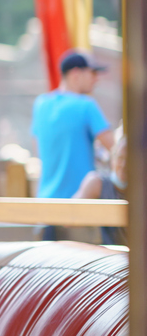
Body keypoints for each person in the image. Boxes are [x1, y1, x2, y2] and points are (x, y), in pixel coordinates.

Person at [31, 50, 114, 240]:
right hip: (78, 210)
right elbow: (117, 151)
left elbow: (39, 153)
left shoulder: (41, 105)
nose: (96, 79)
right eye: (92, 73)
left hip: (45, 210)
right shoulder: (86, 105)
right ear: (76, 73)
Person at [73, 135, 127, 245]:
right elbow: (69, 218)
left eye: (131, 160)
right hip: (109, 254)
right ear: (113, 157)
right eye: (121, 158)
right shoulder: (98, 183)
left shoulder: (140, 190)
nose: (124, 165)